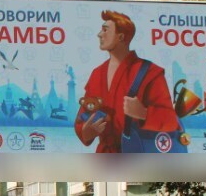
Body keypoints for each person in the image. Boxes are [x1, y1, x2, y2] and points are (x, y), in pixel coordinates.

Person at [74, 10, 182, 153]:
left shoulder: (150, 72)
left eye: (105, 30)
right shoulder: (97, 74)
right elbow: (82, 119)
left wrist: (143, 113)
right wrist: (86, 132)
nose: (99, 34)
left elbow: (170, 120)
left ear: (121, 37)